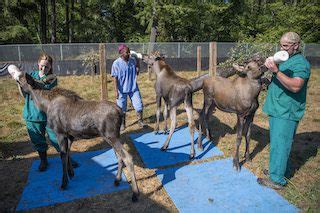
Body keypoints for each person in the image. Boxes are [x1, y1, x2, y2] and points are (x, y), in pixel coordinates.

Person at [257, 32, 311, 189]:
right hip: (277, 108)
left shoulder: (300, 64)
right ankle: (279, 171)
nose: (282, 48)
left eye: (286, 46)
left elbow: (295, 86)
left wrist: (276, 71)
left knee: (280, 144)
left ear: (296, 45)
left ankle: (276, 180)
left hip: (286, 111)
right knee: (278, 142)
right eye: (281, 45)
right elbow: (279, 79)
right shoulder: (288, 59)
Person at [20, 53, 78, 171]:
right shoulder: (30, 75)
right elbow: (24, 91)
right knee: (37, 140)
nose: (43, 69)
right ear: (38, 64)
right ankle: (43, 160)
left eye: (47, 67)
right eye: (42, 66)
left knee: (58, 139)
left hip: (49, 116)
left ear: (51, 67)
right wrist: (20, 82)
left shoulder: (52, 78)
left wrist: (29, 83)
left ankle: (67, 158)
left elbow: (43, 87)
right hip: (33, 115)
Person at [111, 44, 146, 131]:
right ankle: (122, 124)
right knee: (121, 109)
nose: (129, 54)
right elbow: (114, 78)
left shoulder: (132, 61)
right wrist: (116, 91)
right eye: (127, 52)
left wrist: (137, 60)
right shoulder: (116, 64)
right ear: (121, 53)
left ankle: (140, 121)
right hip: (121, 90)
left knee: (139, 106)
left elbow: (137, 72)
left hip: (133, 88)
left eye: (129, 52)